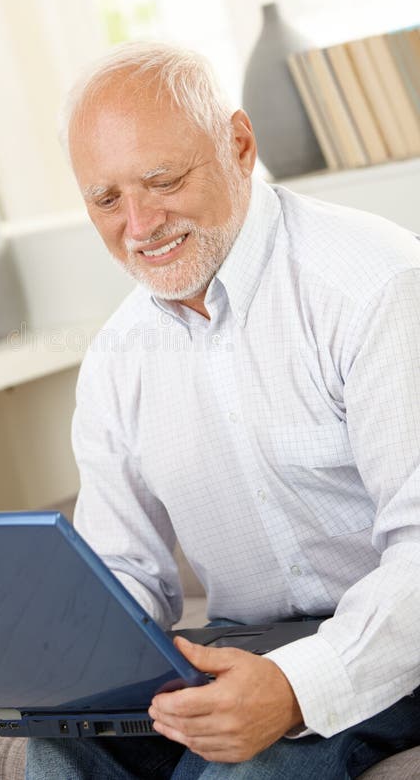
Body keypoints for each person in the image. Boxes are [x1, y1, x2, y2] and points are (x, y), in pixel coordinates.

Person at [26, 41, 420, 779]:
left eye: (162, 180)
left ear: (238, 145)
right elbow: (125, 572)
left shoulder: (376, 288)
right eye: (106, 200)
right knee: (62, 744)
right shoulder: (118, 357)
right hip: (247, 639)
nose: (138, 225)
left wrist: (296, 686)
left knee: (254, 761)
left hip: (399, 635)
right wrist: (61, 650)